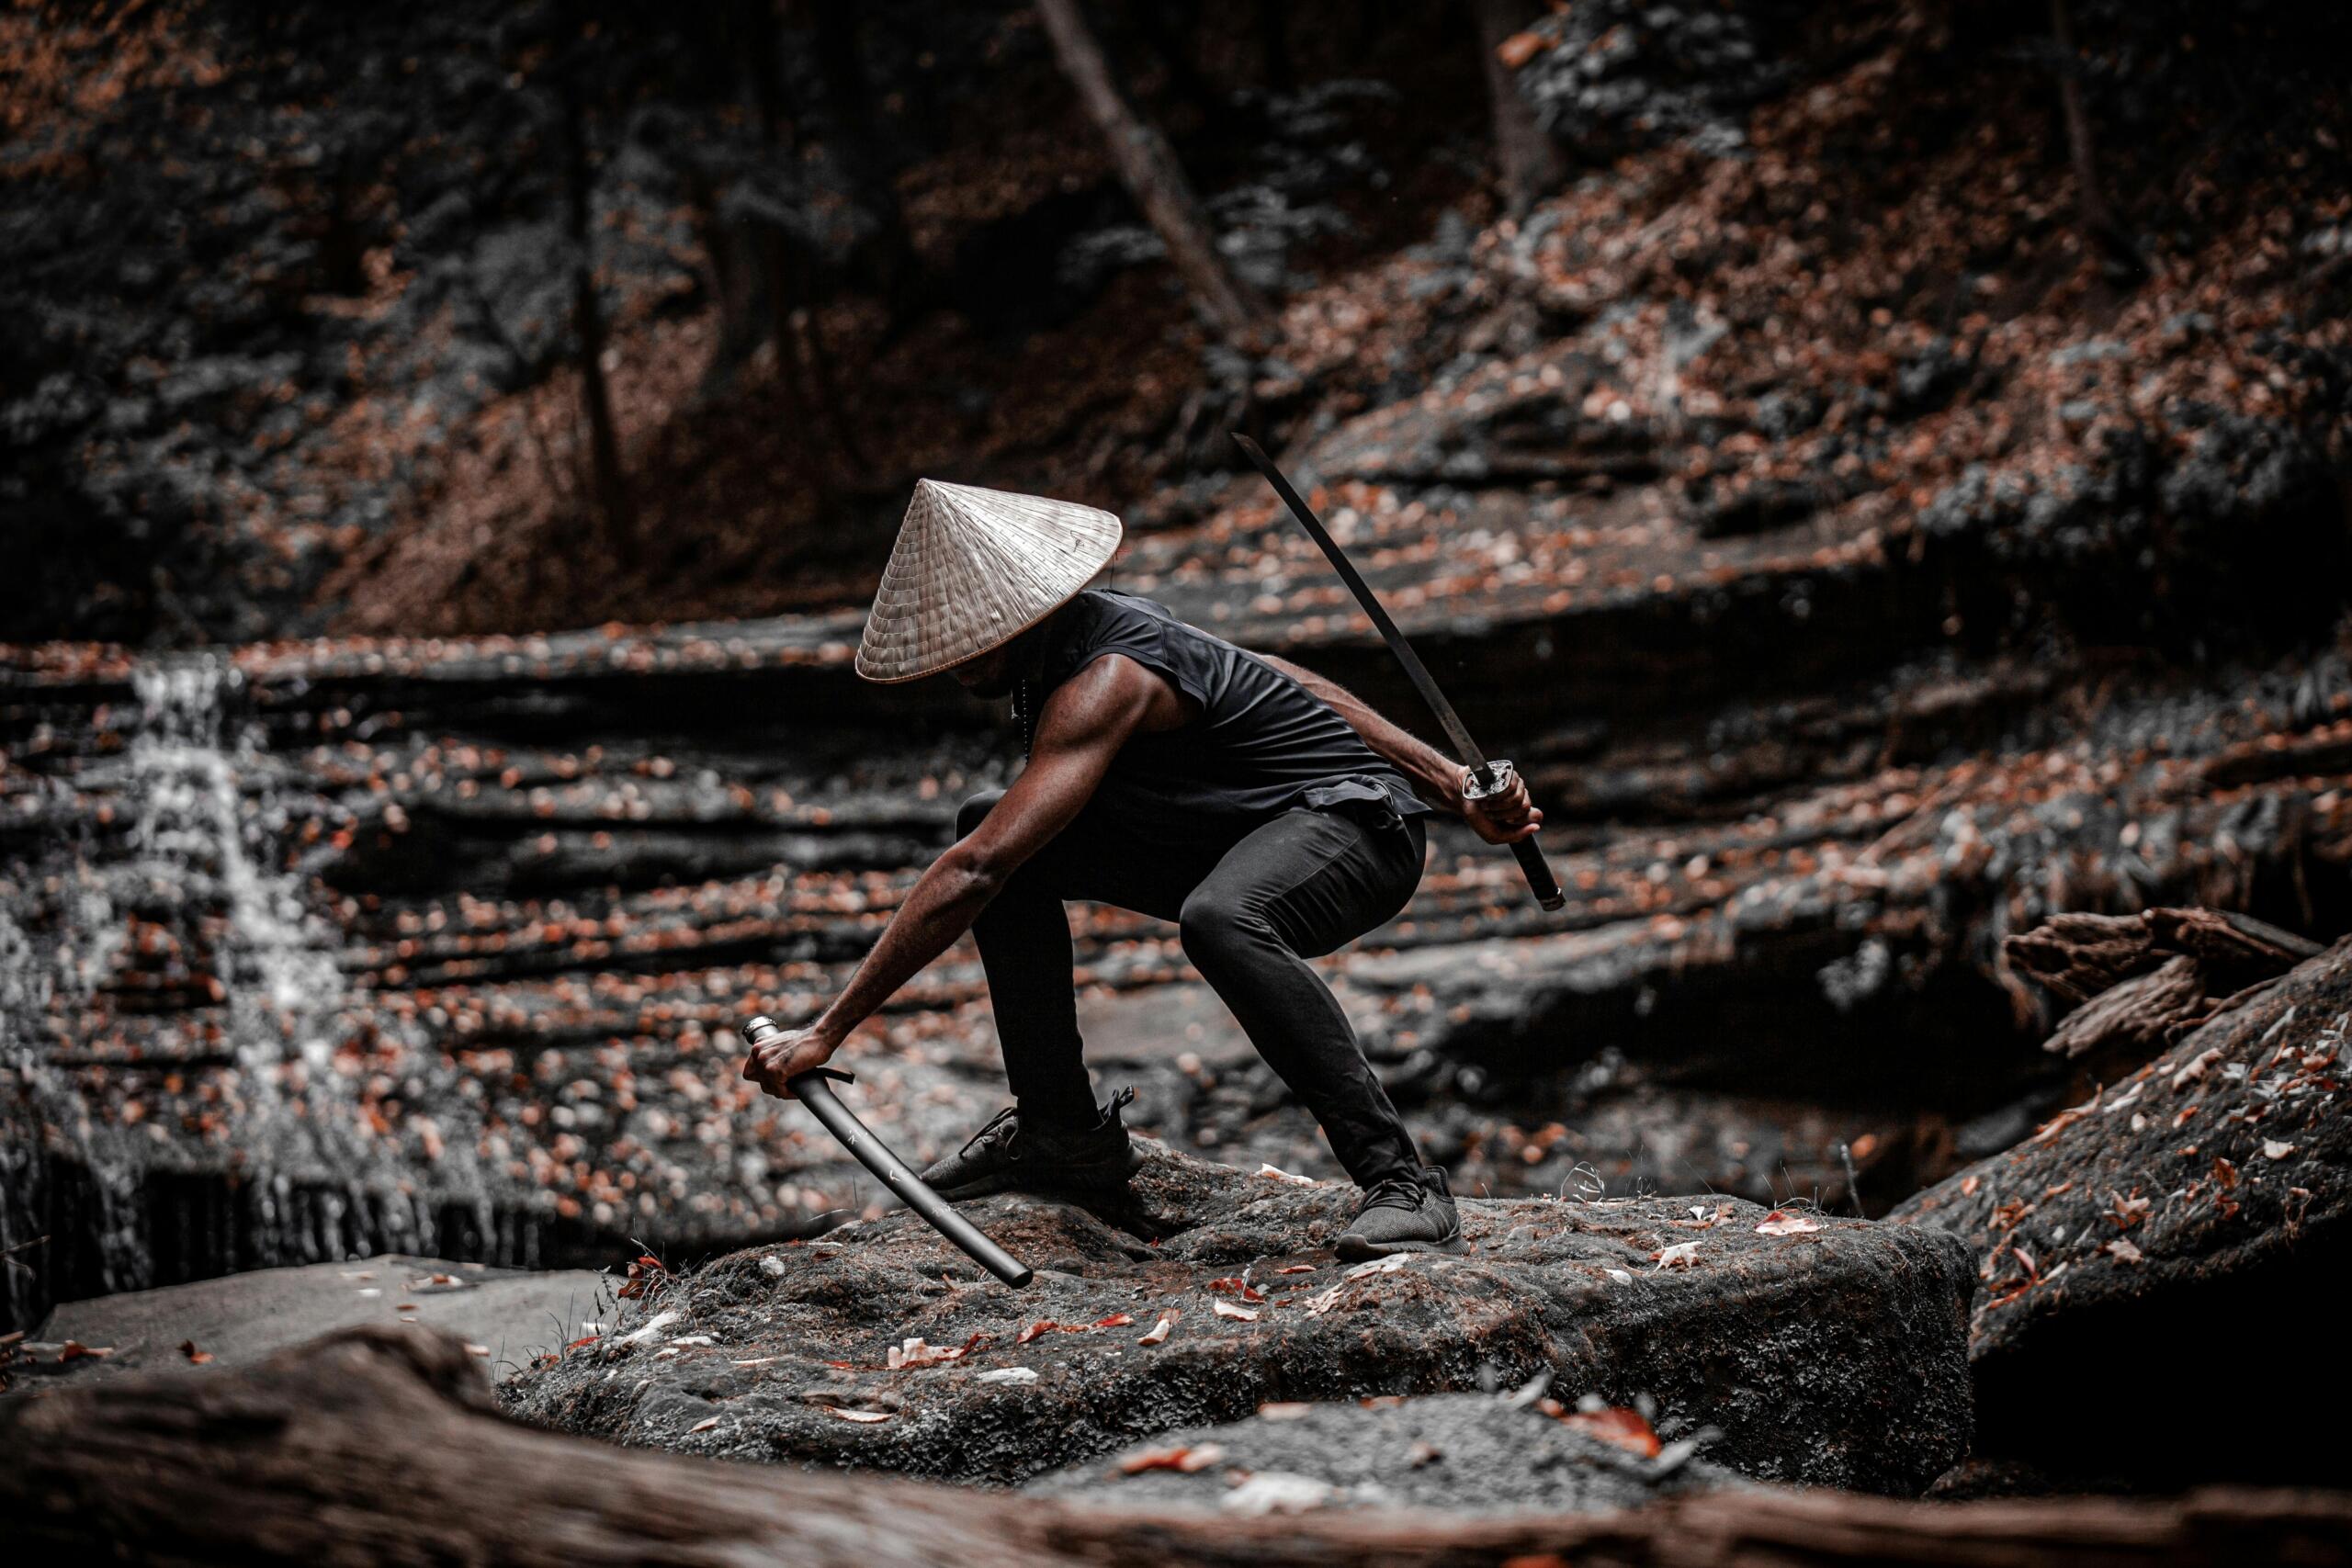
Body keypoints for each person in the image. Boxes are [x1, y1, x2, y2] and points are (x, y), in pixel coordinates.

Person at [742, 479, 1542, 1257]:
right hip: (1234, 827)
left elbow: (975, 873)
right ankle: (1062, 1133)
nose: (951, 662)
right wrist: (1450, 776)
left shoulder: (1104, 678)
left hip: (1358, 830)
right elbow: (1282, 673)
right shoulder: (1085, 637)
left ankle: (1405, 1184)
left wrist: (826, 1030)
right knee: (986, 815)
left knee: (1219, 917)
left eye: (966, 639)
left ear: (1020, 614)